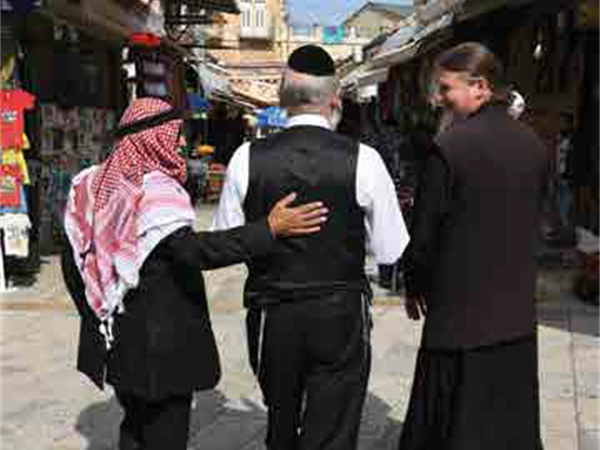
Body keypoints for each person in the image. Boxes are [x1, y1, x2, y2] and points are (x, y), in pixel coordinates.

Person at [60, 98, 328, 450]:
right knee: (162, 435)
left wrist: (100, 309)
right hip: (160, 348)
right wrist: (269, 229)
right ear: (151, 138)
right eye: (175, 136)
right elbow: (196, 251)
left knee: (135, 429)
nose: (182, 144)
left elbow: (72, 262)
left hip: (117, 339)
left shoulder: (90, 185)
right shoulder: (152, 191)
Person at [212, 45, 410, 450]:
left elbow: (227, 241)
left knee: (281, 424)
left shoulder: (246, 157)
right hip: (340, 315)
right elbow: (390, 250)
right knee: (333, 429)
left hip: (273, 314)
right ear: (334, 98)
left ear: (283, 95)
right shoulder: (365, 159)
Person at [399, 42, 548, 450]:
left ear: (480, 87)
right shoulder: (534, 145)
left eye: (446, 89)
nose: (439, 98)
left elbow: (424, 236)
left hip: (457, 317)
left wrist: (414, 286)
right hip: (515, 317)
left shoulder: (449, 148)